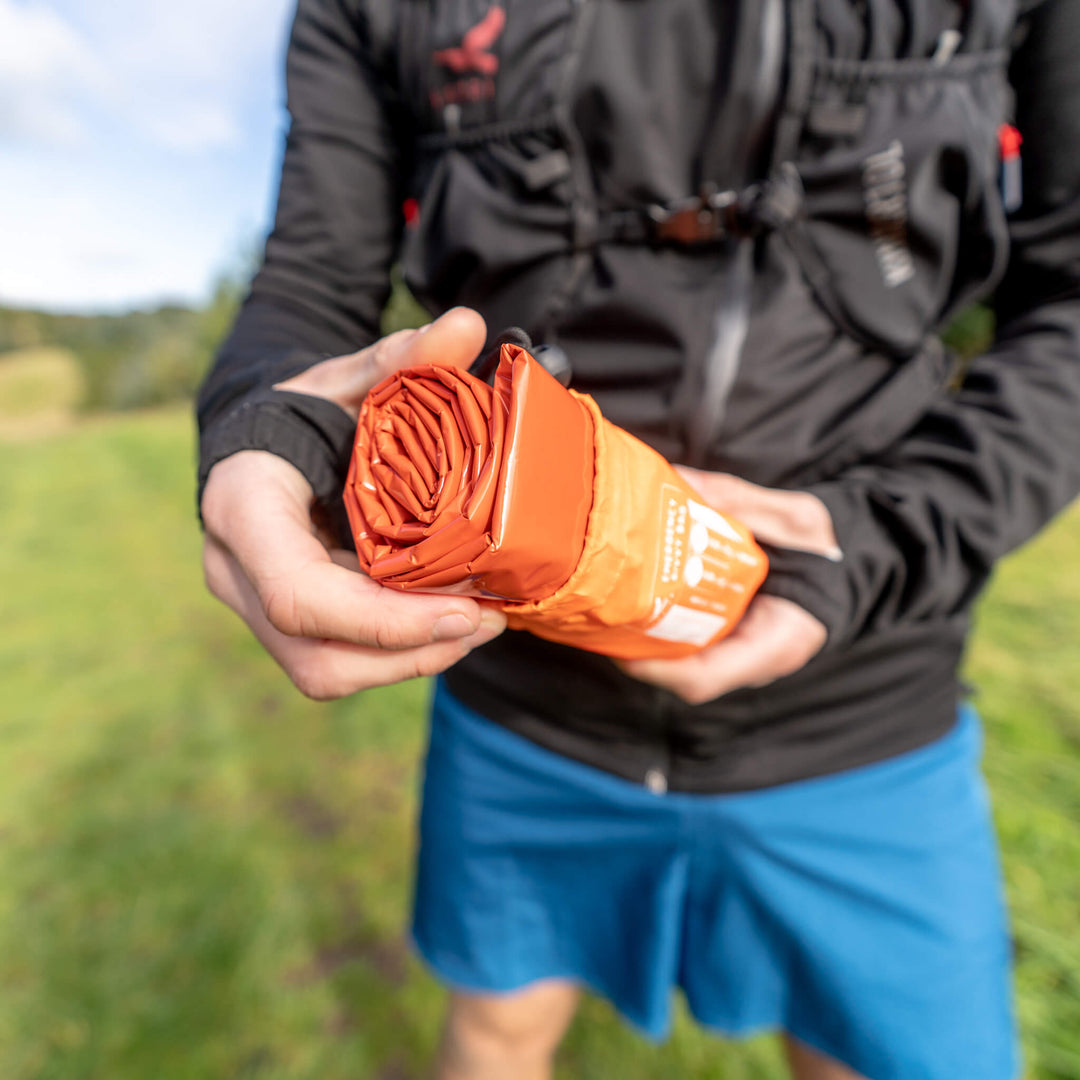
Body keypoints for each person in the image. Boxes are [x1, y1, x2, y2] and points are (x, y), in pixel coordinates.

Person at [196, 1, 1080, 1077]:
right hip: (523, 703)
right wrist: (266, 428)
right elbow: (311, 283)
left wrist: (895, 533)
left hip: (865, 712)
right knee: (495, 1025)